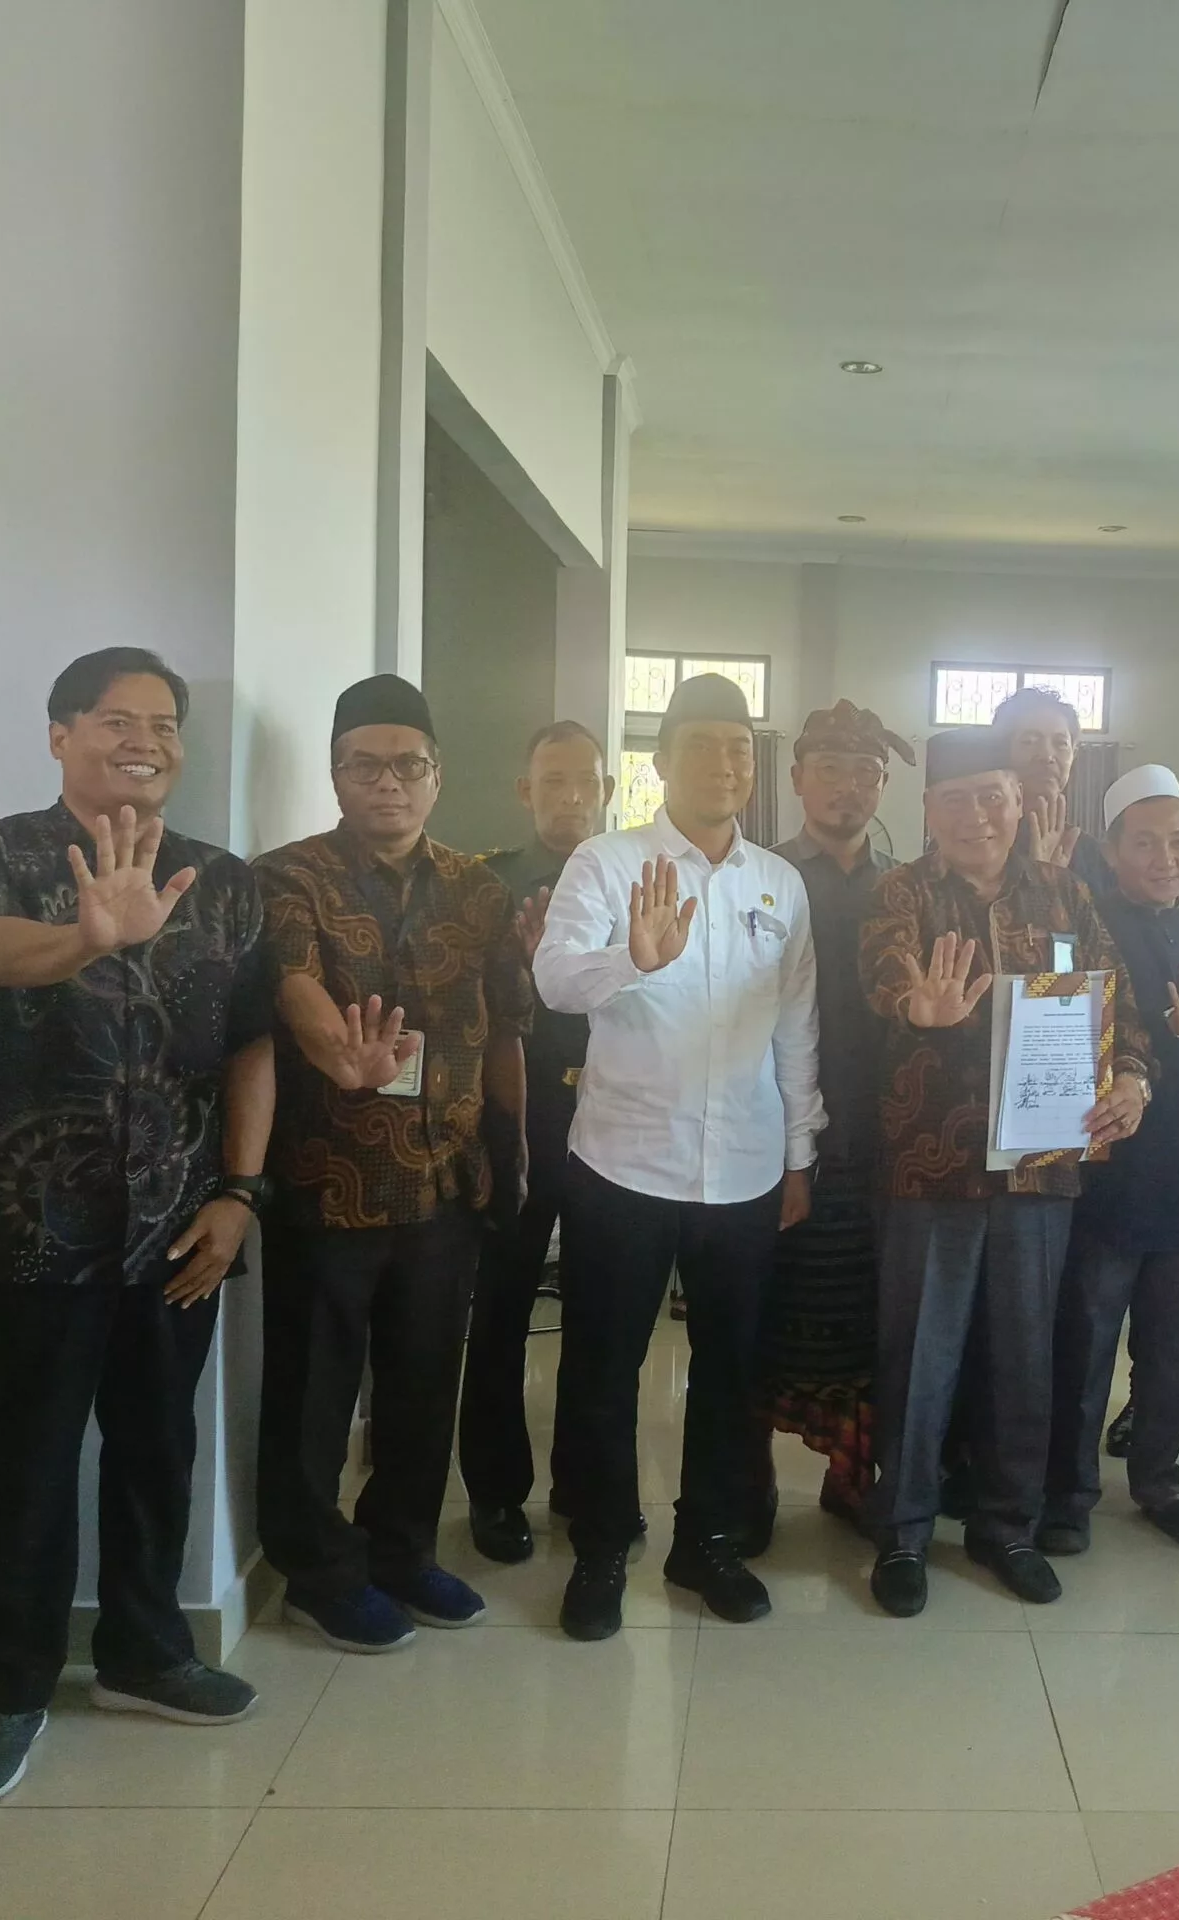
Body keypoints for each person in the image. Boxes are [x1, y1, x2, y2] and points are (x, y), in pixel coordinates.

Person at [0, 648, 275, 1805]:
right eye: (119, 719)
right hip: (29, 1222)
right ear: (60, 734)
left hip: (178, 1222)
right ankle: (6, 1692)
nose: (146, 740)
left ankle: (144, 1654)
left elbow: (251, 1047)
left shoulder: (225, 882)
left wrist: (239, 1194)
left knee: (157, 1449)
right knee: (23, 1465)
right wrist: (86, 937)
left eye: (164, 723)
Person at [531, 673, 824, 1640]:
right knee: (604, 1366)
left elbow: (797, 1028)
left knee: (732, 1371)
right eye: (702, 745)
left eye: (740, 747)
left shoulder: (779, 884)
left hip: (743, 1165)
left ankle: (709, 1542)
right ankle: (603, 1546)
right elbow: (555, 979)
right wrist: (635, 959)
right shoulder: (608, 862)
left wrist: (799, 1152)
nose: (725, 764)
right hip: (624, 1162)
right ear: (660, 761)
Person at [250, 675, 530, 1653]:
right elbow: (292, 982)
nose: (388, 784)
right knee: (313, 1393)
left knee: (422, 1386)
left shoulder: (480, 890)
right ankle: (317, 1571)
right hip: (327, 1178)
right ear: (335, 775)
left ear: (437, 775)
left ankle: (402, 1552)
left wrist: (512, 1150)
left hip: (444, 1178)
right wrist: (341, 1054)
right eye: (365, 766)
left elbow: (505, 1027)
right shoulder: (287, 878)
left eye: (408, 766)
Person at [860, 726, 1150, 1615]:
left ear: (1021, 803)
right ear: (927, 810)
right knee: (920, 1354)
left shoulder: (1066, 895)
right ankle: (904, 1533)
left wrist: (1133, 1080)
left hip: (1039, 1170)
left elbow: (1120, 1007)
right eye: (955, 800)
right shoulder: (902, 893)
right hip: (931, 1168)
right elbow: (882, 975)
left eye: (993, 796)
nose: (976, 816)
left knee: (1024, 1353)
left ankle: (1007, 1527)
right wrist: (917, 1004)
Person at [1043, 765, 1179, 1555]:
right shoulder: (1082, 925)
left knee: (1177, 1341)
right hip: (1104, 1167)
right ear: (1111, 850)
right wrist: (1169, 1032)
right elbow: (1063, 1038)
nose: (1168, 858)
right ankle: (1066, 1493)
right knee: (1086, 1339)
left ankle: (1160, 1481)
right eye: (1146, 843)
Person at [458, 719, 614, 1565]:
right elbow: (462, 1007)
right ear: (526, 792)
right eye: (553, 781)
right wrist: (522, 971)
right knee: (502, 1312)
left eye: (586, 781)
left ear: (609, 790)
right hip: (518, 1121)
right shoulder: (486, 884)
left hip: (614, 1120)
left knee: (601, 1315)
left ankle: (584, 1485)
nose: (571, 797)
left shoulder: (635, 876)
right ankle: (495, 1492)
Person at [755, 700, 913, 1537]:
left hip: (882, 1134)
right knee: (762, 1312)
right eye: (830, 770)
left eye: (865, 773)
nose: (848, 787)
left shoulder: (907, 886)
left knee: (869, 1318)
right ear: (796, 779)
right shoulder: (760, 877)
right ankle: (746, 1490)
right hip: (771, 1130)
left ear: (883, 785)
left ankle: (854, 1480)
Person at [994, 684, 1116, 894]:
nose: (1047, 756)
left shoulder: (1087, 851)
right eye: (1029, 741)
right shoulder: (979, 839)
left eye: (1060, 743)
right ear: (1003, 750)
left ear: (1074, 753)